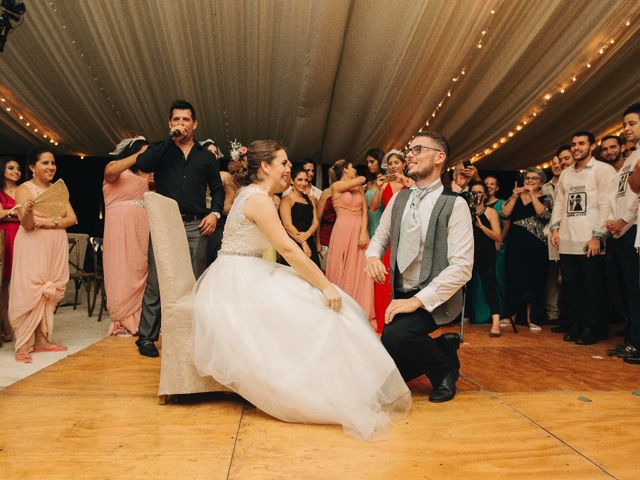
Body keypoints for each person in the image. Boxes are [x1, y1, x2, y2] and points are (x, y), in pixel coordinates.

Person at [192, 140, 411, 440]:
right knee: (324, 303)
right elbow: (289, 250)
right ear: (266, 166)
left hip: (246, 271)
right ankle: (325, 387)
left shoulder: (254, 195)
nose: (288, 169)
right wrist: (325, 285)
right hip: (238, 280)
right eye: (283, 163)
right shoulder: (258, 200)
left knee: (324, 300)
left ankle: (337, 381)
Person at [365, 131, 473, 403]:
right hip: (400, 294)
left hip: (437, 299)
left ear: (439, 158)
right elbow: (380, 236)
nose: (408, 155)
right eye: (408, 150)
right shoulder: (400, 199)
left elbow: (462, 267)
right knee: (389, 360)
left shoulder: (455, 204)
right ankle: (444, 349)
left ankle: (444, 371)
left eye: (417, 150)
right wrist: (372, 257)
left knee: (398, 336)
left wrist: (417, 301)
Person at [134, 99, 224, 357]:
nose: (181, 124)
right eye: (176, 120)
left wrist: (215, 214)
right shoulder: (161, 151)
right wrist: (168, 139)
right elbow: (144, 163)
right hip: (165, 224)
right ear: (170, 123)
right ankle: (147, 338)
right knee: (156, 280)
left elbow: (217, 190)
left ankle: (190, 333)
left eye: (186, 120)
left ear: (194, 124)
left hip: (197, 224)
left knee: (193, 281)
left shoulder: (206, 157)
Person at [9, 147, 77, 362]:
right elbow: (27, 224)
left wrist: (48, 222)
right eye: (45, 163)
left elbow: (72, 218)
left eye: (53, 163)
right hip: (32, 244)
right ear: (32, 167)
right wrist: (31, 213)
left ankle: (42, 340)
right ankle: (23, 344)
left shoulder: (57, 189)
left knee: (50, 288)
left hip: (55, 244)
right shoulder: (24, 189)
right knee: (30, 289)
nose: (51, 167)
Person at [550, 131, 616, 345]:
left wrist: (598, 235)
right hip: (568, 239)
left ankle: (593, 328)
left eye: (581, 143)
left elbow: (607, 203)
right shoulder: (567, 174)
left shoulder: (603, 170)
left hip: (590, 240)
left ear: (592, 145)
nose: (576, 147)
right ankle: (576, 324)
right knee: (571, 287)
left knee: (592, 287)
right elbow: (560, 203)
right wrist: (555, 228)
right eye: (574, 144)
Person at [102, 137, 151, 336]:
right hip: (120, 227)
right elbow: (110, 173)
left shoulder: (149, 177)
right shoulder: (116, 168)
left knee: (142, 269)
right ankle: (123, 321)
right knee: (121, 268)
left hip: (143, 227)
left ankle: (143, 320)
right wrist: (140, 154)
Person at [325, 159, 375, 327]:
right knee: (342, 267)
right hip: (343, 229)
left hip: (359, 228)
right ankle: (341, 307)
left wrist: (363, 232)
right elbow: (361, 179)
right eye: (353, 167)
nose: (356, 171)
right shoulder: (336, 186)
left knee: (360, 269)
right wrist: (359, 178)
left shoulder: (358, 186)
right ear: (346, 170)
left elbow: (365, 210)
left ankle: (360, 309)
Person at [502, 168, 552, 331]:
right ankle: (512, 316)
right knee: (514, 279)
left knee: (535, 280)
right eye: (527, 178)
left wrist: (532, 195)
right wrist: (515, 196)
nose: (530, 181)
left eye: (534, 179)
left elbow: (544, 215)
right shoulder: (515, 196)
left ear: (541, 182)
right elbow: (504, 214)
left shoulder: (546, 198)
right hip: (516, 245)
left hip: (536, 247)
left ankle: (533, 318)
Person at [368, 150, 410, 332]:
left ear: (403, 164)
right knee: (384, 276)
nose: (393, 166)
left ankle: (401, 319)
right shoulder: (384, 185)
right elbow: (373, 207)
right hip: (389, 234)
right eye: (390, 163)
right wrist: (379, 188)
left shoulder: (411, 184)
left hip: (407, 233)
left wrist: (405, 181)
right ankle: (383, 320)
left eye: (396, 163)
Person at [470, 175, 508, 325]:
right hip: (470, 254)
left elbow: (498, 236)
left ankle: (496, 320)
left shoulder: (491, 212)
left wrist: (482, 227)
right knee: (467, 286)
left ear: (485, 195)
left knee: (489, 286)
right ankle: (467, 317)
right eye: (474, 192)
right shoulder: (466, 211)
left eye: (479, 192)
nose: (476, 195)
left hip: (486, 253)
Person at [279, 162, 320, 267]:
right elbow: (288, 225)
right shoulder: (286, 200)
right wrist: (304, 243)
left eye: (306, 180)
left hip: (309, 241)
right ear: (292, 181)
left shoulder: (311, 199)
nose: (304, 183)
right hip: (293, 244)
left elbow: (315, 222)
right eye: (300, 180)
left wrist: (307, 235)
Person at [0, 156, 21, 345]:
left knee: (18, 283)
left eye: (18, 168)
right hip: (4, 239)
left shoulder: (23, 191)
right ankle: (5, 325)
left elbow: (29, 214)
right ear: (3, 171)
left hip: (22, 238)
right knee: (5, 285)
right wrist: (16, 213)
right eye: (11, 168)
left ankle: (17, 324)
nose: (16, 171)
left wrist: (10, 213)